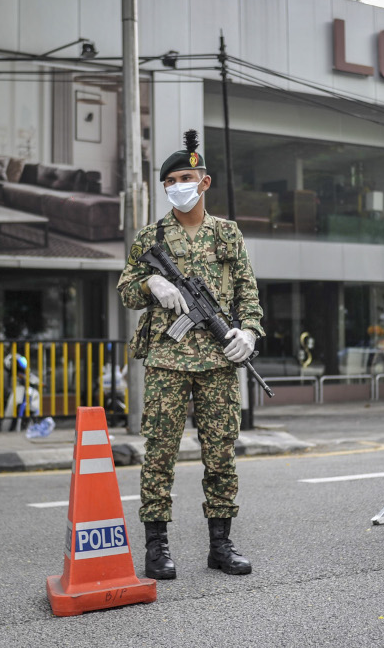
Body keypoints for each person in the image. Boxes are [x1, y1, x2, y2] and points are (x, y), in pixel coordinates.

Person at [116, 130, 265, 580]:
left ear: (204, 182)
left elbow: (247, 292)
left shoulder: (228, 233)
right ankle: (157, 547)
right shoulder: (151, 236)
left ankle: (221, 544)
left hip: (219, 364)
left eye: (187, 177)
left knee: (221, 454)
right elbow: (125, 290)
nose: (178, 185)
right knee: (159, 453)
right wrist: (150, 284)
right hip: (166, 361)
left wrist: (250, 332)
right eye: (171, 180)